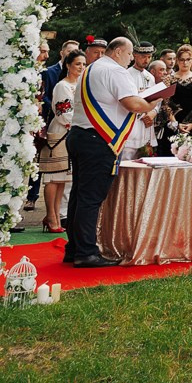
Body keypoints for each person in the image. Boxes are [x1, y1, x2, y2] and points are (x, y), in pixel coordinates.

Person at [63, 36, 151, 268]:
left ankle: (74, 248)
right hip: (98, 140)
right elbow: (132, 103)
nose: (132, 58)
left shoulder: (91, 69)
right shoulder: (116, 71)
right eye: (130, 53)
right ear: (120, 51)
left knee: (79, 195)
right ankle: (86, 252)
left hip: (80, 136)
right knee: (91, 197)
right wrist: (152, 103)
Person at [38, 47, 85, 232]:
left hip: (73, 133)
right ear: (68, 65)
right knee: (53, 178)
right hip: (61, 132)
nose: (81, 67)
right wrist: (78, 125)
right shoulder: (62, 86)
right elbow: (62, 113)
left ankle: (56, 216)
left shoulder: (80, 85)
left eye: (83, 64)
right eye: (77, 64)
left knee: (63, 180)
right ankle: (51, 216)